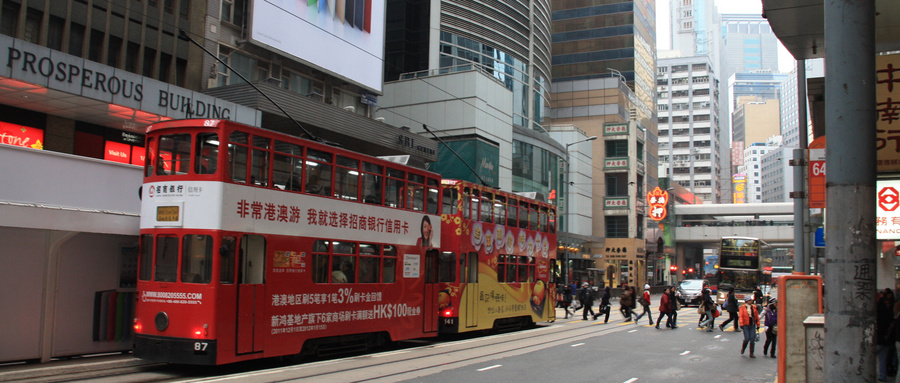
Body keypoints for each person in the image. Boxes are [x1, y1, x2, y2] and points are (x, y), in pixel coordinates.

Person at [878, 288, 896, 381]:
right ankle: (882, 376)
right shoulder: (889, 314)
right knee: (883, 359)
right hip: (885, 339)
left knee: (882, 359)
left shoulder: (877, 312)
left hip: (879, 339)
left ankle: (882, 376)